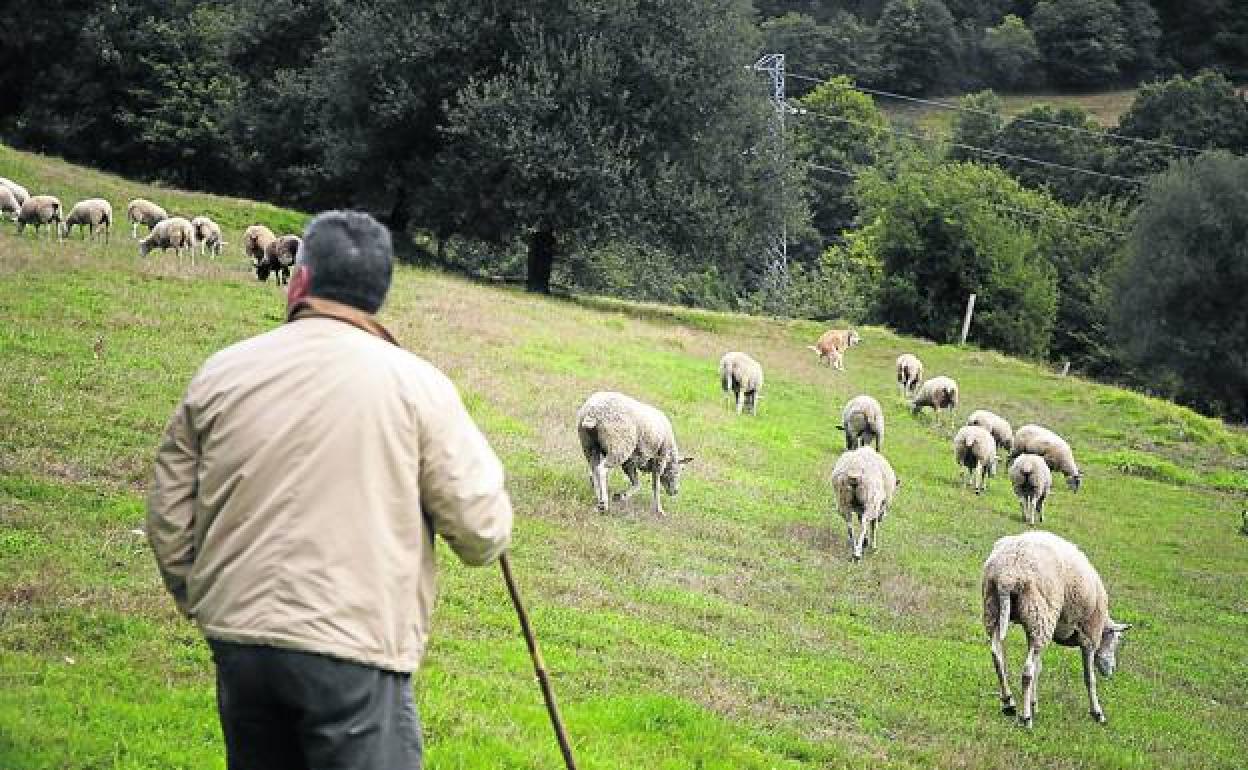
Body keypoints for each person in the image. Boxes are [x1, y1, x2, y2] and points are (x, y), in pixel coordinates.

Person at [147, 210, 513, 769]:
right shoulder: (417, 386)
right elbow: (481, 532)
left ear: (299, 280)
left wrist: (203, 598)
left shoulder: (222, 373)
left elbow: (169, 511)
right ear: (379, 297)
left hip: (241, 645)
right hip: (352, 646)